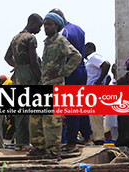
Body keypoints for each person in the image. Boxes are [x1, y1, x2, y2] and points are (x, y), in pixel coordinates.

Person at [27, 12, 82, 159]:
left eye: (49, 24)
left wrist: (63, 71)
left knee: (52, 121)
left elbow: (76, 56)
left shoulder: (60, 41)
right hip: (44, 85)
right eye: (45, 25)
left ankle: (53, 151)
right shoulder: (48, 42)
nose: (46, 27)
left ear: (56, 26)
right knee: (36, 118)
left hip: (55, 86)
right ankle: (39, 147)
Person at [49, 8, 91, 151]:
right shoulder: (79, 29)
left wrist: (62, 71)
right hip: (82, 70)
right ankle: (87, 137)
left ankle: (71, 141)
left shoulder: (63, 33)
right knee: (81, 105)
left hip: (71, 71)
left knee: (71, 107)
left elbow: (68, 54)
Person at [5, 13, 43, 151]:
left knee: (20, 111)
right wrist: (41, 79)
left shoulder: (16, 37)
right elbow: (34, 62)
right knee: (34, 110)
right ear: (32, 22)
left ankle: (20, 143)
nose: (40, 30)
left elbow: (7, 57)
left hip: (18, 76)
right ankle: (33, 143)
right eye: (39, 26)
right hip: (29, 75)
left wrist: (17, 66)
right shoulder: (30, 38)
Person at [85, 42, 111, 144]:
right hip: (92, 90)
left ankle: (98, 139)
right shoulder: (90, 61)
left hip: (93, 89)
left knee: (95, 116)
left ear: (87, 49)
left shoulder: (93, 57)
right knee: (92, 117)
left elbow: (106, 64)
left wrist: (98, 82)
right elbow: (108, 77)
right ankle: (94, 138)